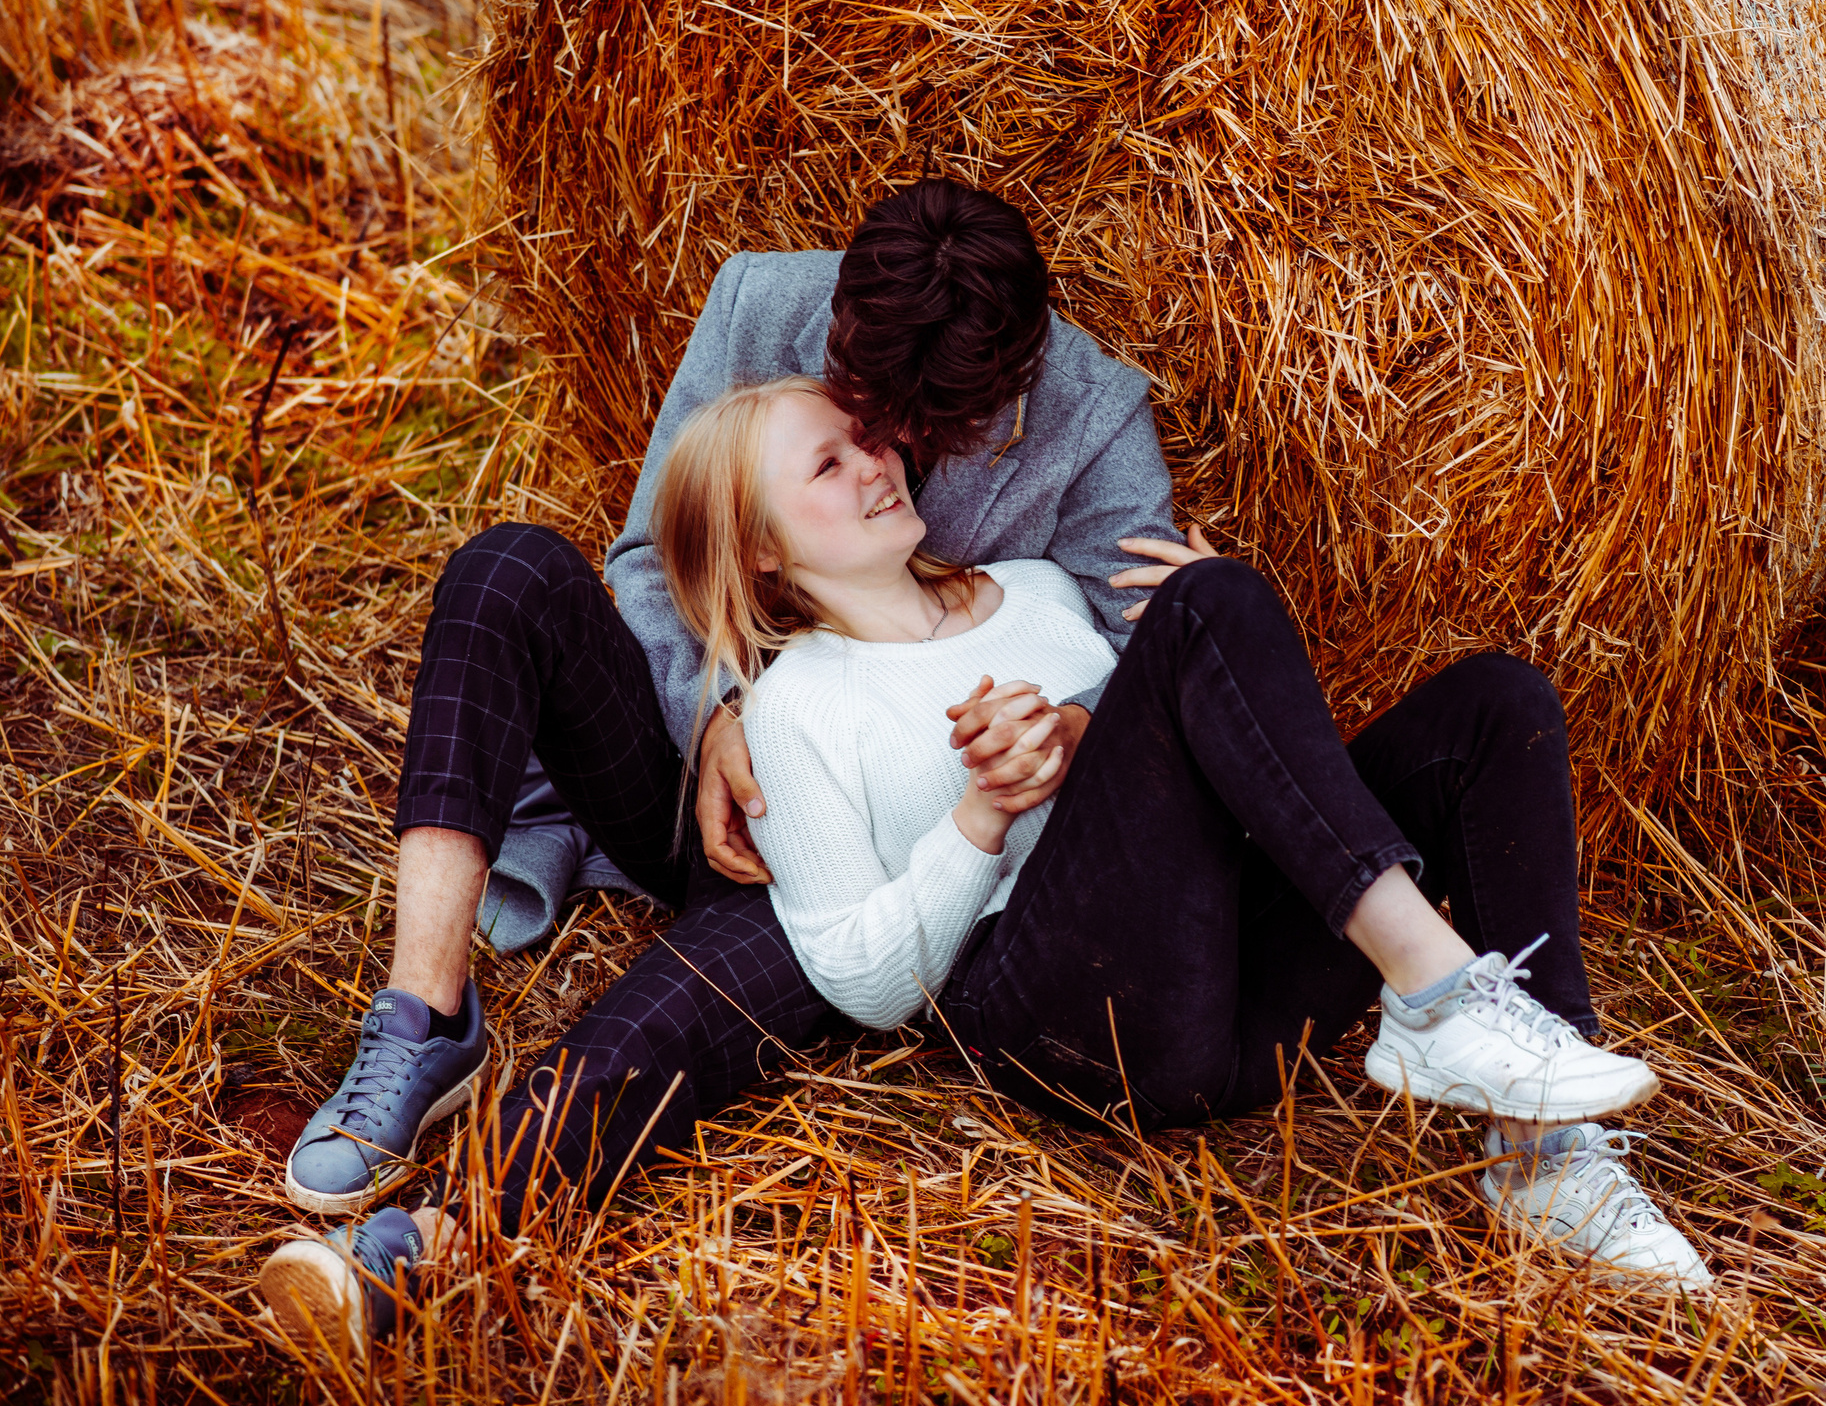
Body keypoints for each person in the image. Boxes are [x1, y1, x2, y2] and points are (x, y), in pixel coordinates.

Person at [256, 380, 1708, 1352]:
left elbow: (1228, 756)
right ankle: (431, 1227)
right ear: (762, 556)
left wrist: (1118, 697)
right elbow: (868, 976)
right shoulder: (801, 701)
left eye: (872, 439)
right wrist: (980, 819)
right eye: (829, 463)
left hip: (1216, 957)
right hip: (1061, 992)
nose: (879, 459)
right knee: (667, 1017)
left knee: (1496, 699)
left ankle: (1543, 1147)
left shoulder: (1042, 588)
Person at [273, 179, 1194, 1222]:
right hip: (689, 776)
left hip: (857, 854)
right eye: (857, 413)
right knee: (504, 570)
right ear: (840, 324)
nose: (888, 452)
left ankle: (435, 1233)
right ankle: (423, 1017)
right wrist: (714, 714)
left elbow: (1143, 649)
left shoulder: (1096, 412)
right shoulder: (758, 304)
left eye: (921, 428)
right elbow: (649, 561)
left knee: (645, 1037)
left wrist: (1059, 733)